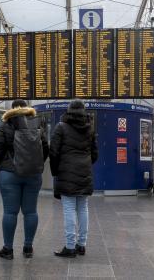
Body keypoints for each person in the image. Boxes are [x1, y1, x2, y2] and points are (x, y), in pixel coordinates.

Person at [0, 99, 48, 260]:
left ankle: (8, 249)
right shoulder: (38, 126)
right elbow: (45, 149)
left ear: (12, 109)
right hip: (33, 174)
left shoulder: (4, 126)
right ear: (27, 108)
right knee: (30, 211)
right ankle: (28, 247)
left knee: (10, 212)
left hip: (9, 173)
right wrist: (35, 165)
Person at [50, 99, 98, 258]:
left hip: (66, 172)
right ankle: (81, 245)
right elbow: (95, 154)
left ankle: (70, 246)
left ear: (69, 111)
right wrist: (85, 163)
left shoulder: (61, 127)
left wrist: (56, 171)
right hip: (84, 172)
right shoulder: (89, 129)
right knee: (83, 207)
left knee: (69, 208)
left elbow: (54, 152)